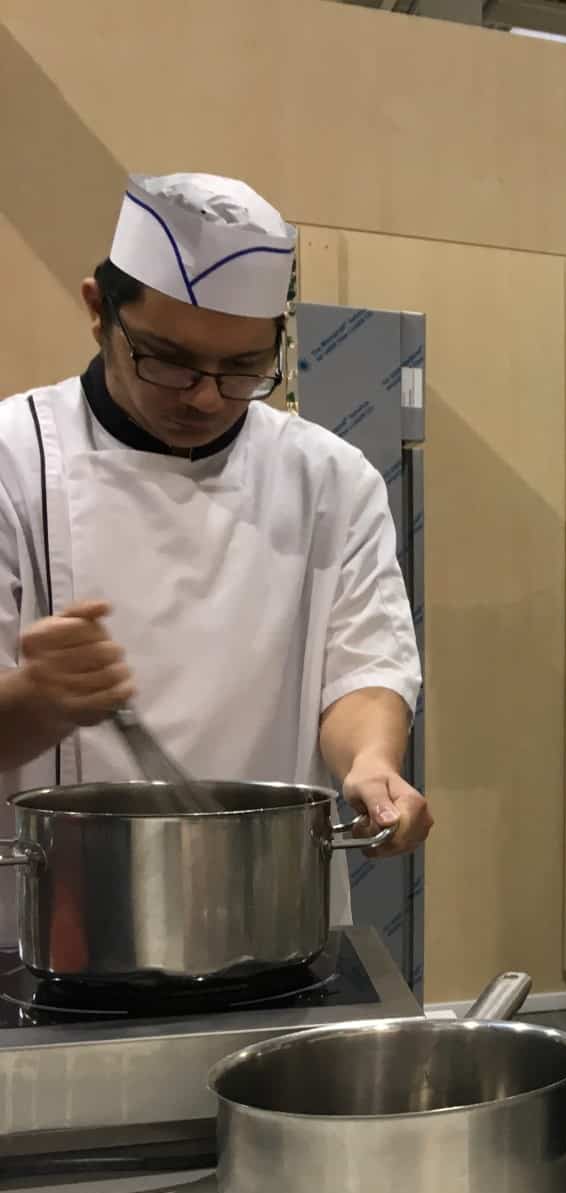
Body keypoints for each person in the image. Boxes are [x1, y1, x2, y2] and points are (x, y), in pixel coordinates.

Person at [0, 173, 428, 932]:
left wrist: (372, 764)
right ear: (99, 313)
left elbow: (363, 667)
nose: (203, 397)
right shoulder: (12, 461)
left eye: (241, 371)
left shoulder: (328, 479)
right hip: (51, 930)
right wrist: (36, 702)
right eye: (167, 361)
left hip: (266, 912)